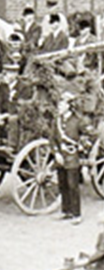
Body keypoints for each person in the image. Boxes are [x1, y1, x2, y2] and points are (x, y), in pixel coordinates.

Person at [55, 93, 85, 224]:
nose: (59, 106)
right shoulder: (57, 121)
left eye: (62, 104)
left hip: (72, 156)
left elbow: (88, 135)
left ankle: (76, 214)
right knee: (62, 185)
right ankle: (65, 211)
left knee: (73, 185)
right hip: (60, 156)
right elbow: (52, 138)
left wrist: (81, 147)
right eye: (59, 104)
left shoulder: (77, 121)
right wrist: (56, 152)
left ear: (69, 106)